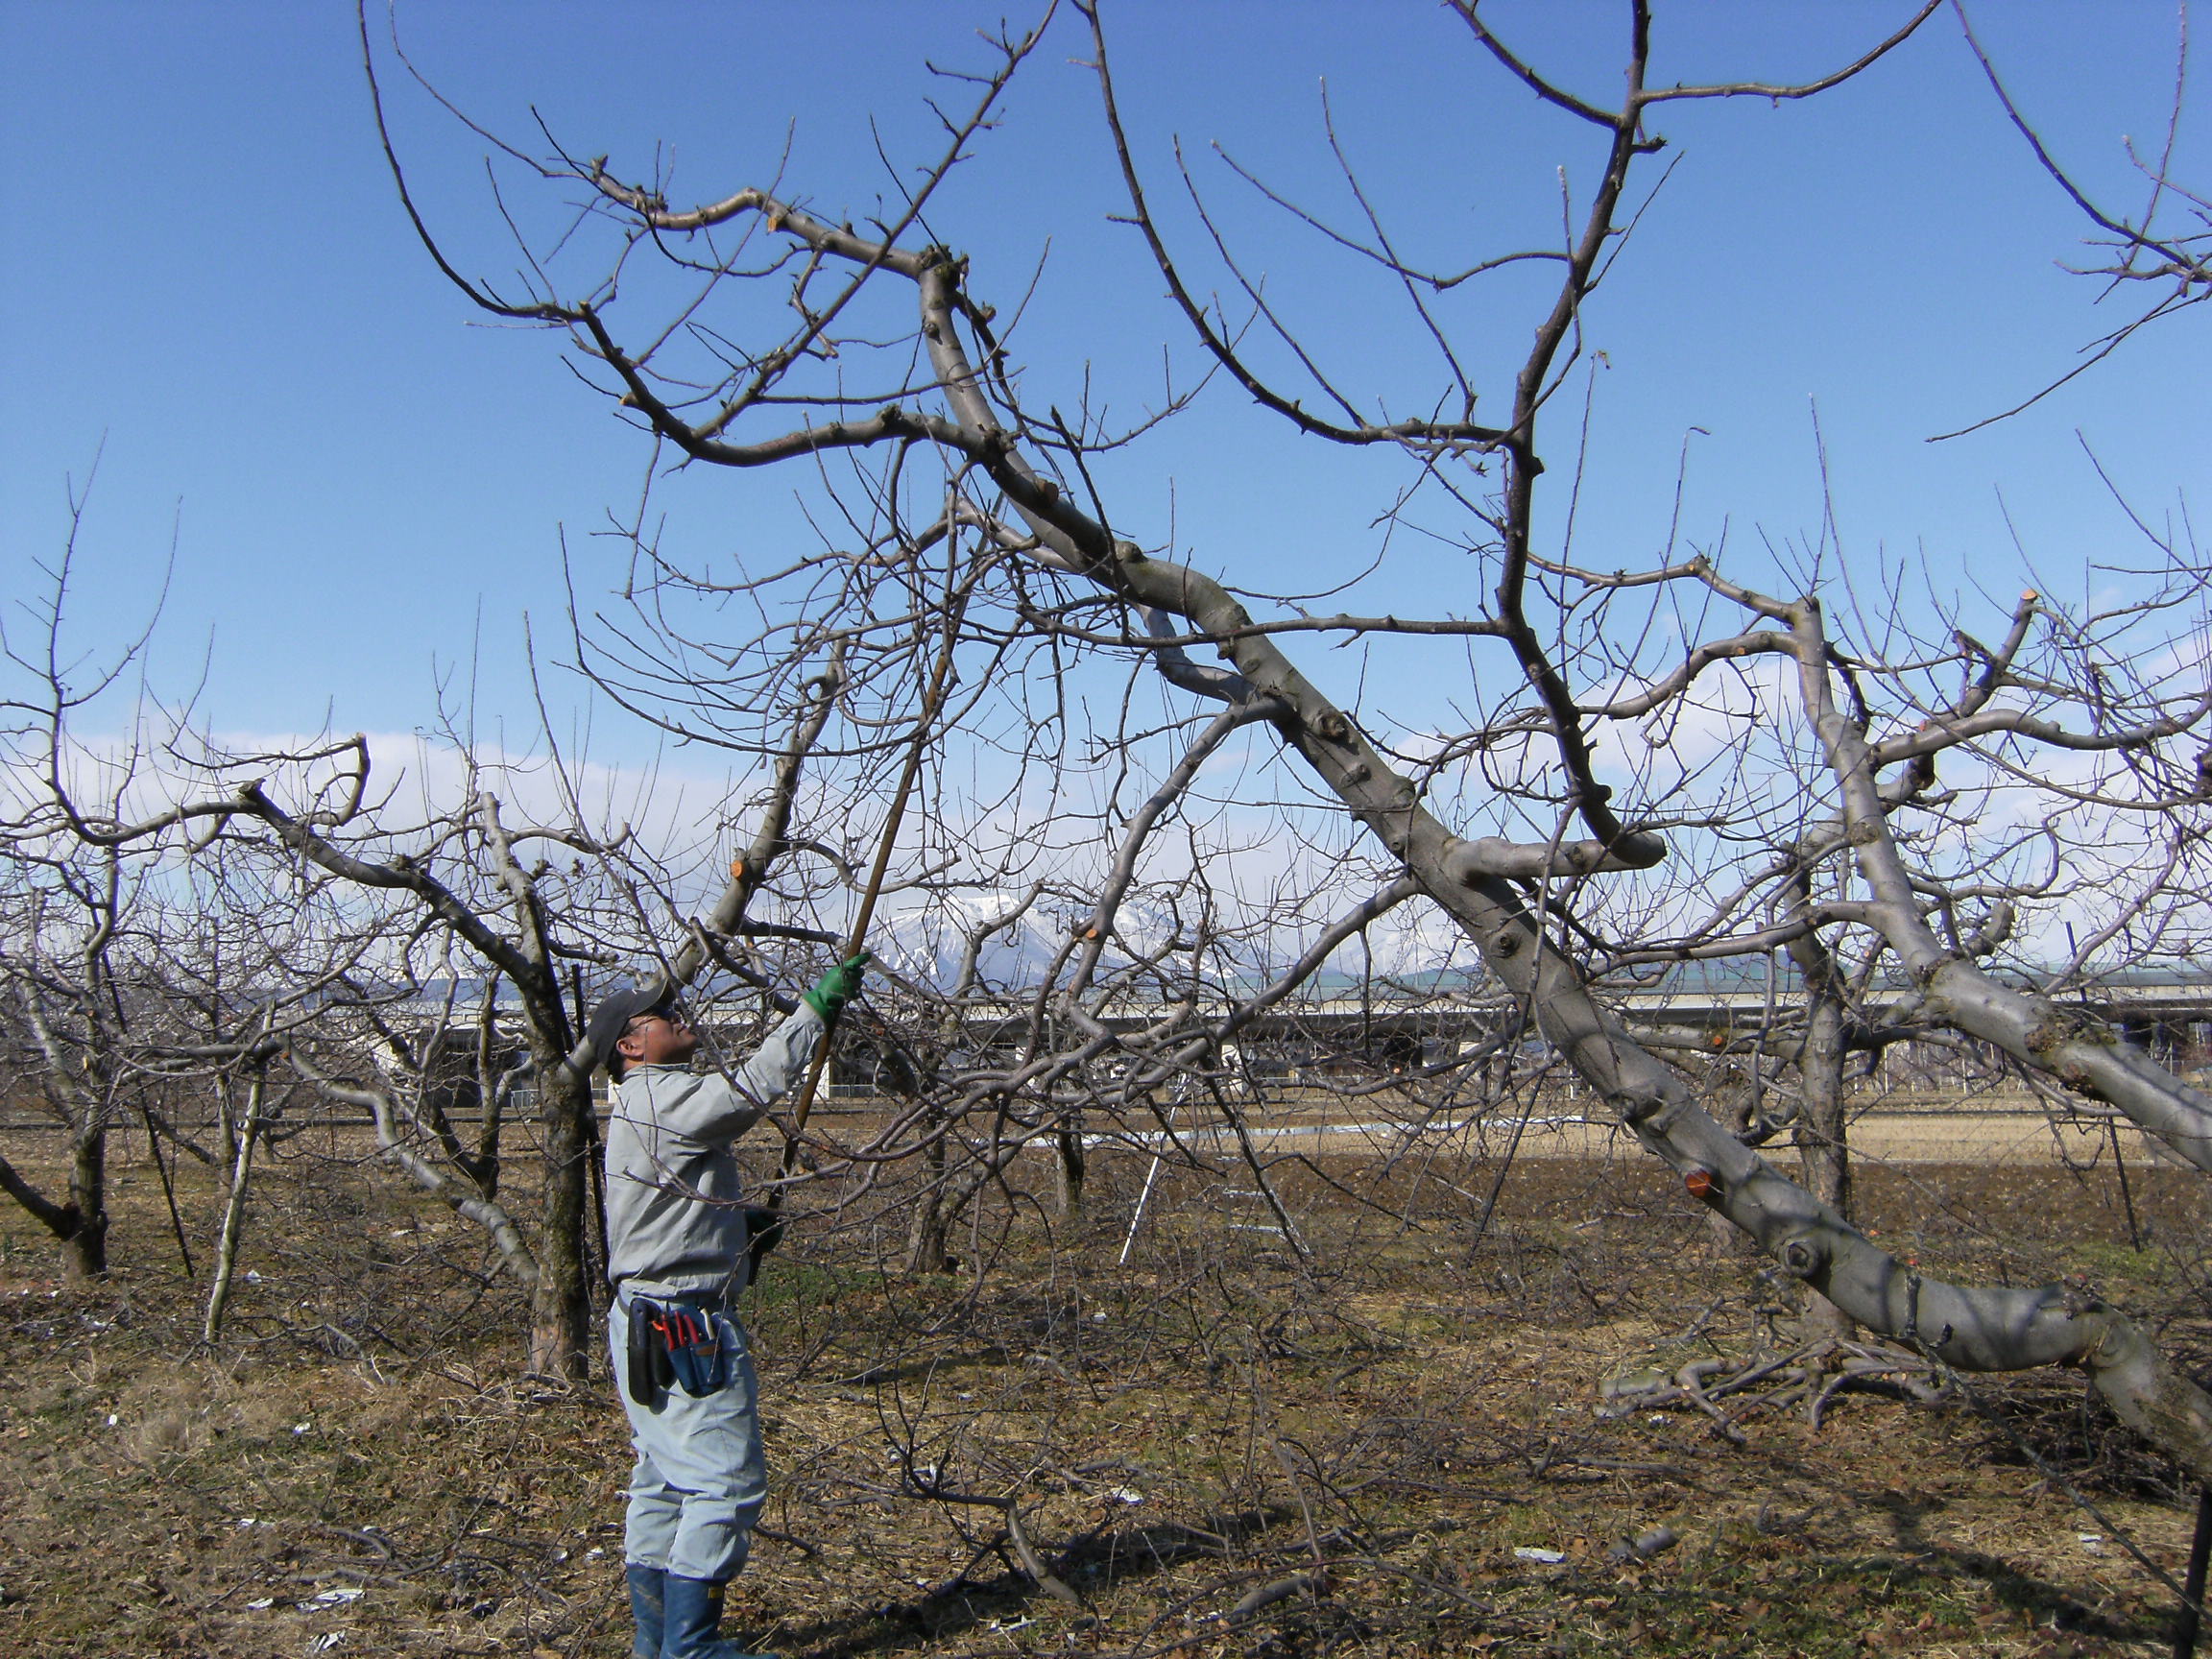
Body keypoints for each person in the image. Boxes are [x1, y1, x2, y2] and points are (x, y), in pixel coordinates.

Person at [586, 952, 868, 1659]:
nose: (679, 1014)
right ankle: (692, 1648)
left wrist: (736, 1230)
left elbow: (661, 1211)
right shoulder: (661, 1099)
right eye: (660, 1013)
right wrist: (815, 1012)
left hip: (645, 1319)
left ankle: (658, 1643)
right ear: (629, 1046)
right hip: (682, 1324)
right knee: (725, 1485)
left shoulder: (644, 1110)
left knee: (664, 1479)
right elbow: (754, 1086)